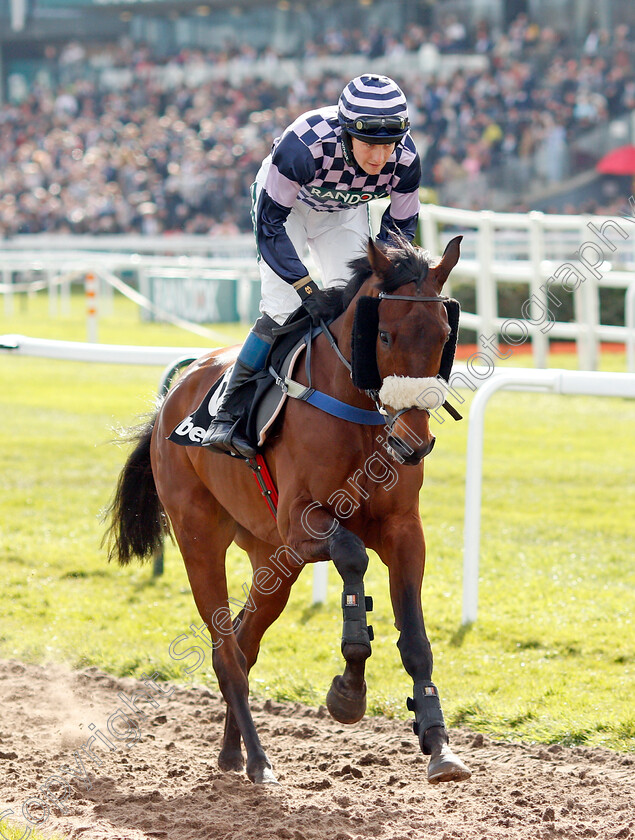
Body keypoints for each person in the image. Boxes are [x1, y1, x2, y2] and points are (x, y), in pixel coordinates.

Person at [202, 73, 422, 457]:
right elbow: (270, 226)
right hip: (286, 210)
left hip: (342, 213)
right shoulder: (303, 146)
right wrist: (306, 288)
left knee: (365, 307)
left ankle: (376, 405)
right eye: (369, 143)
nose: (379, 157)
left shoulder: (405, 160)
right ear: (344, 131)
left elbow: (400, 229)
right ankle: (228, 407)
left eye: (388, 145)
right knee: (284, 306)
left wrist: (383, 279)